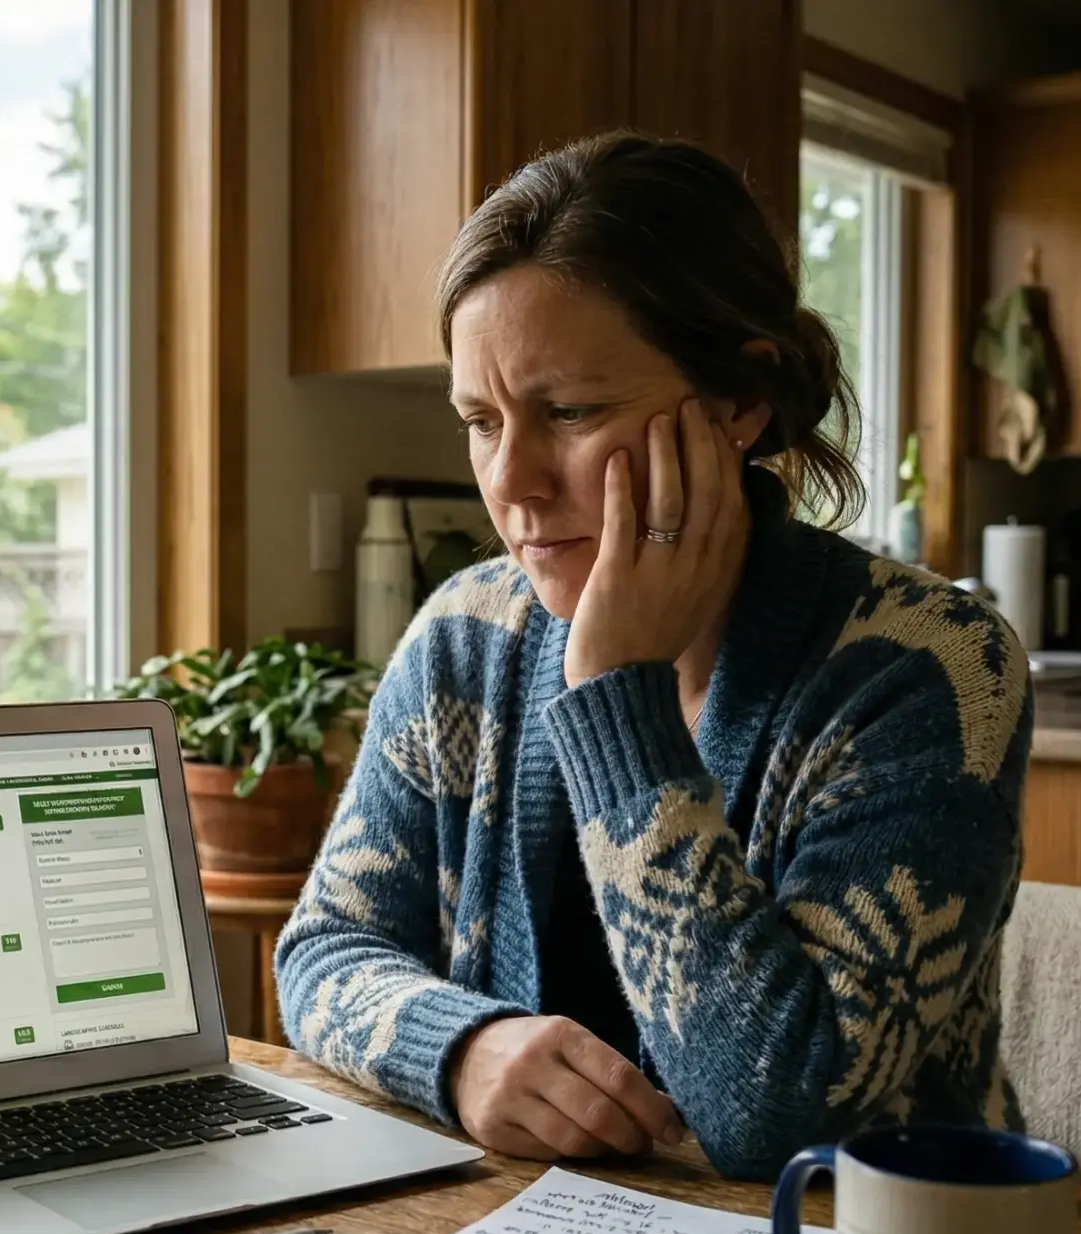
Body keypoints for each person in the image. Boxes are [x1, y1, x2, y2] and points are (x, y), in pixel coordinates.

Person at [272, 132, 1031, 1179]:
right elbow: (321, 951)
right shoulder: (463, 635)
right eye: (479, 421)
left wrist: (615, 697)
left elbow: (778, 1114)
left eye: (569, 413)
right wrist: (460, 1049)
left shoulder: (928, 671)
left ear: (739, 399)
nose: (513, 482)